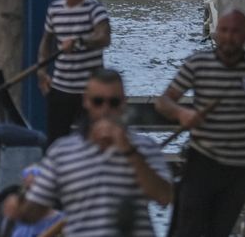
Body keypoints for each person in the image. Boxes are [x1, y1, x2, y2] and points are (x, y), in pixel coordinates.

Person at [156, 10, 245, 237]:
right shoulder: (198, 64)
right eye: (224, 31)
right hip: (202, 163)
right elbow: (164, 102)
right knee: (187, 230)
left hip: (238, 171)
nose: (229, 37)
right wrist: (182, 113)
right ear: (216, 33)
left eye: (235, 31)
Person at [18, 68, 172, 237]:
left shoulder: (145, 147)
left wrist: (129, 151)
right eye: (98, 102)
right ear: (86, 102)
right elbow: (33, 211)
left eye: (113, 102)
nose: (105, 110)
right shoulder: (61, 152)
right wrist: (19, 202)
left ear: (123, 103)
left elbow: (164, 196)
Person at [37, 0, 112, 143]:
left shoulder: (95, 9)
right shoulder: (55, 10)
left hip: (90, 90)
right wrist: (42, 71)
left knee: (94, 141)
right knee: (56, 141)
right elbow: (46, 41)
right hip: (60, 88)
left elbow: (104, 37)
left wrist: (79, 41)